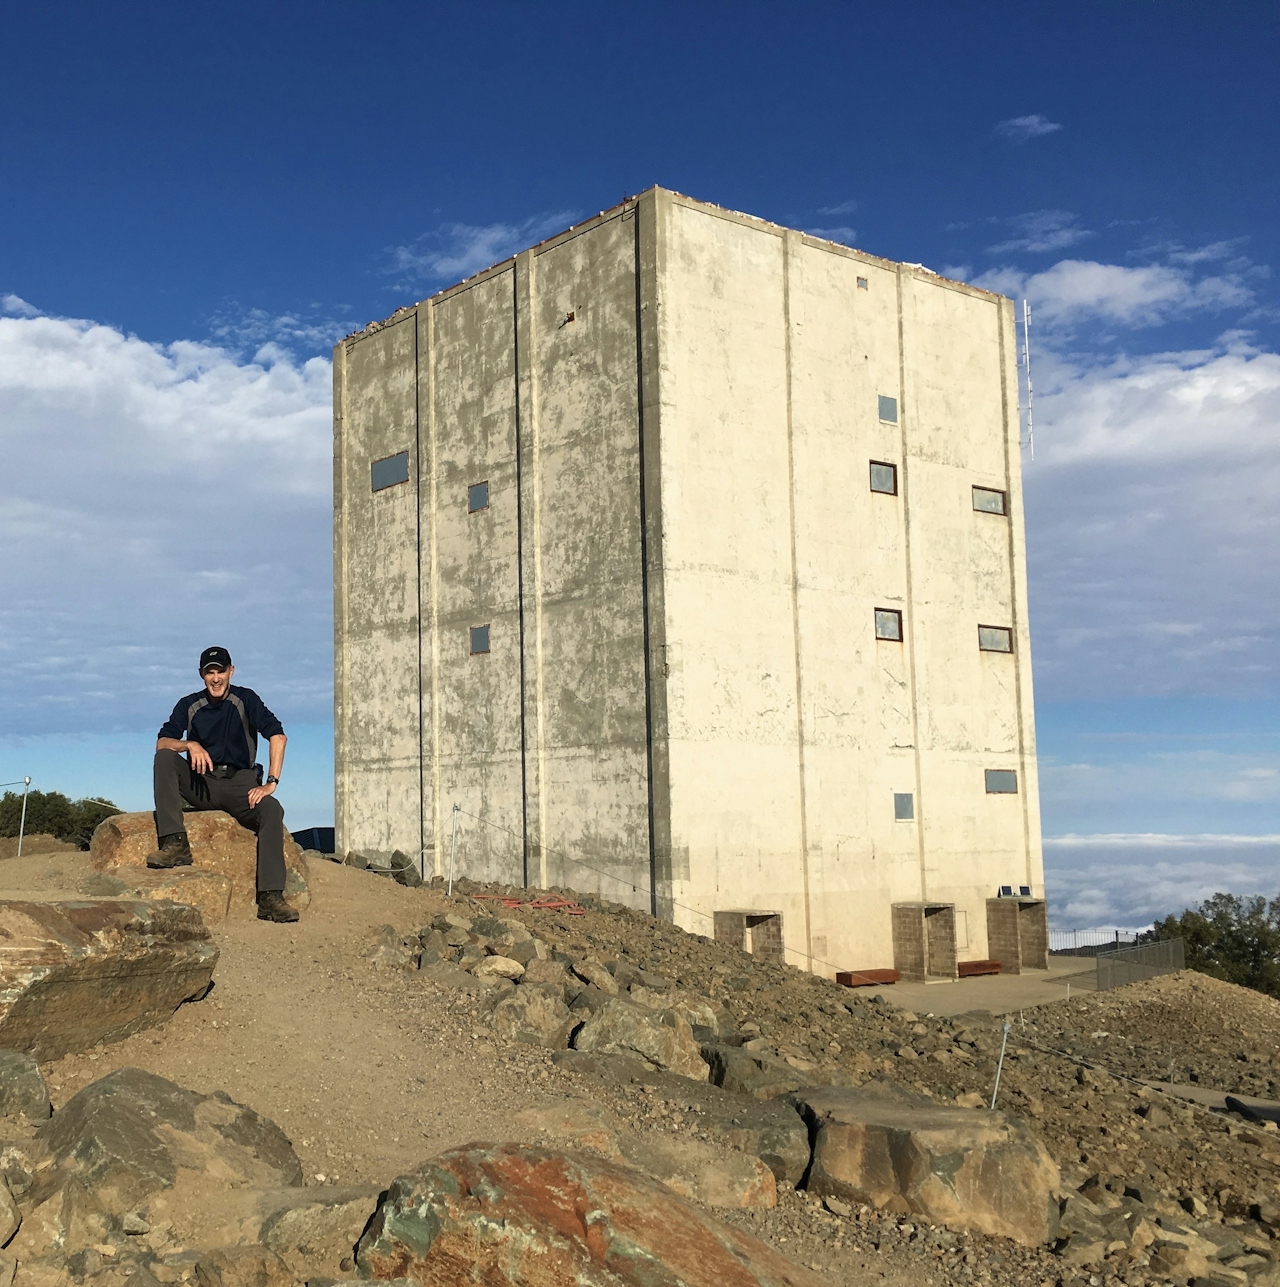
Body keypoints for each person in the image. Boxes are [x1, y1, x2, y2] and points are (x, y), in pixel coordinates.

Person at [148, 645, 298, 923]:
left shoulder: (246, 699)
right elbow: (162, 743)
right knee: (165, 759)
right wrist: (189, 744)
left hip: (239, 785)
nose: (216, 678)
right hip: (201, 784)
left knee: (272, 810)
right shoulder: (189, 704)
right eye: (209, 673)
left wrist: (271, 783)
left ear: (232, 671)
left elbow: (278, 736)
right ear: (201, 675)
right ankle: (175, 844)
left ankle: (271, 898)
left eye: (221, 671)